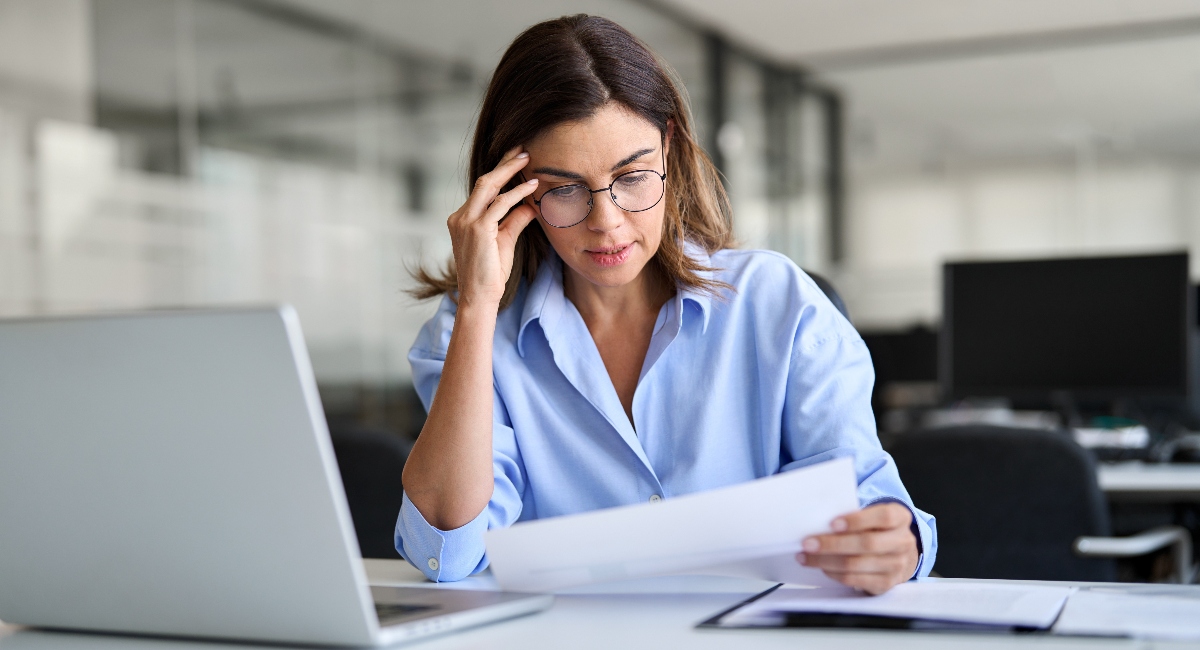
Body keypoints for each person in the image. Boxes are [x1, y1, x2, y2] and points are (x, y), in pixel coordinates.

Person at [397, 14, 936, 595]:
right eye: (562, 188)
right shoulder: (468, 332)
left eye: (631, 176)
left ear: (669, 149)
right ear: (509, 192)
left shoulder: (778, 304)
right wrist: (479, 305)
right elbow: (448, 549)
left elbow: (866, 497)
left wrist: (894, 540)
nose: (607, 224)